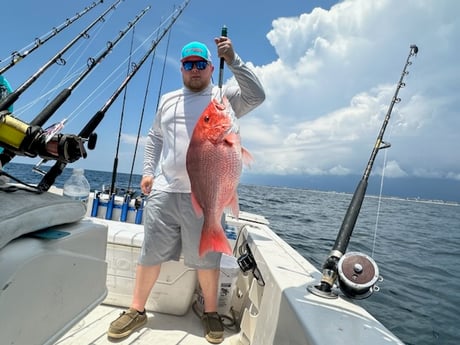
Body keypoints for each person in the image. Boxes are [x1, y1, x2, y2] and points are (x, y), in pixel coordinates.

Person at [107, 36, 265, 344]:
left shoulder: (224, 96)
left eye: (201, 64)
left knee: (207, 257)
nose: (195, 70)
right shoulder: (168, 100)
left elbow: (257, 95)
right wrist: (148, 172)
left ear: (209, 68)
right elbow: (154, 138)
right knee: (150, 252)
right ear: (181, 69)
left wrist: (233, 59)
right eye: (188, 65)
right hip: (165, 190)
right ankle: (137, 310)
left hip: (207, 191)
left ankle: (210, 312)